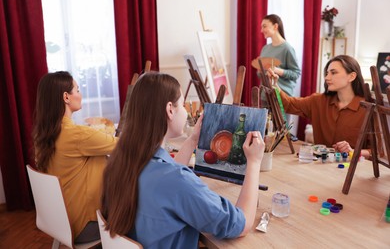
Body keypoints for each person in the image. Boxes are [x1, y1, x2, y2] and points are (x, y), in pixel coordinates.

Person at [101, 72, 265, 248]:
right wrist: (254, 163)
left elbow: (166, 182)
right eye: (183, 104)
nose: (187, 111)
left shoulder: (121, 162)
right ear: (170, 110)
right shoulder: (177, 180)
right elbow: (241, 224)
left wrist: (193, 139)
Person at [32, 71, 117, 243]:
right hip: (84, 226)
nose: (80, 94)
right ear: (66, 97)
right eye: (77, 90)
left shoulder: (43, 134)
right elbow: (122, 145)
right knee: (138, 216)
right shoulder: (77, 134)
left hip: (59, 222)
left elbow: (92, 139)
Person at [268, 55, 370, 158]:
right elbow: (289, 104)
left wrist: (353, 152)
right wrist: (275, 85)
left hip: (353, 169)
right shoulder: (318, 101)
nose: (327, 78)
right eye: (327, 73)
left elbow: (380, 152)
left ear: (351, 76)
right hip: (320, 167)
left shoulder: (368, 109)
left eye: (333, 73)